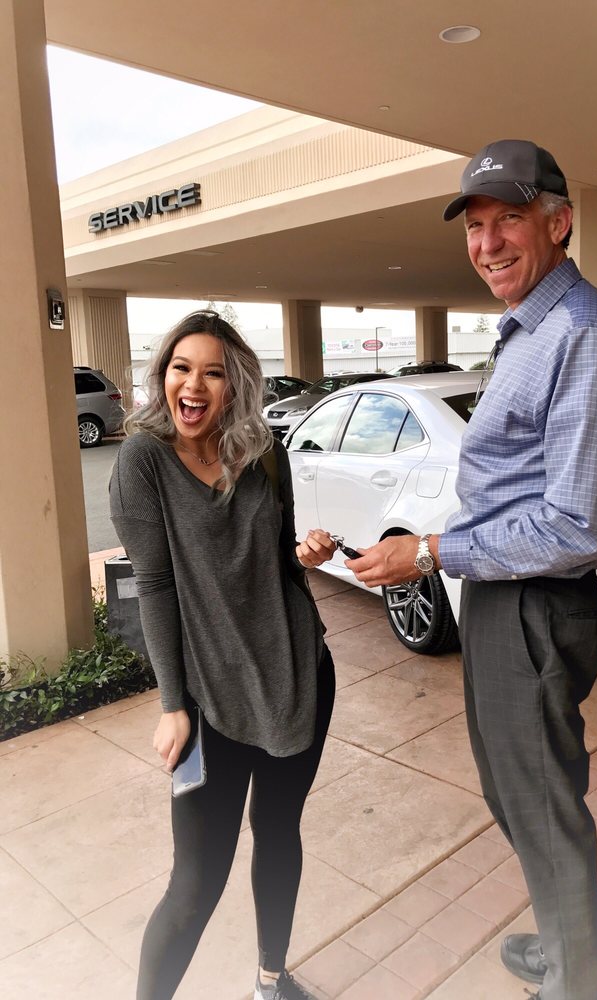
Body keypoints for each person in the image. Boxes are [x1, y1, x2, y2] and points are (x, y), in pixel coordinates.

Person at [346, 140, 597, 1000]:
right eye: (475, 226)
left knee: (540, 808)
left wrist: (429, 551)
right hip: (500, 596)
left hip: (536, 605)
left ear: (559, 222)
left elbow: (575, 525)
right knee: (519, 799)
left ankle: (585, 983)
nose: (487, 244)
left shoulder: (583, 333)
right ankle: (586, 947)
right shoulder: (528, 331)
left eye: (509, 219)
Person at [110, 310, 336, 1000]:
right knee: (196, 881)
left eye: (213, 373)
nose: (194, 385)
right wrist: (172, 704)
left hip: (296, 677)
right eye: (182, 369)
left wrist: (306, 555)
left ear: (234, 384)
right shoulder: (142, 460)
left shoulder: (263, 450)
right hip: (209, 698)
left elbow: (279, 558)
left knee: (279, 831)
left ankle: (271, 980)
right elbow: (152, 584)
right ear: (163, 376)